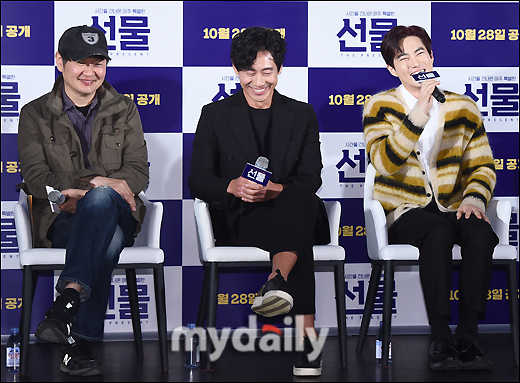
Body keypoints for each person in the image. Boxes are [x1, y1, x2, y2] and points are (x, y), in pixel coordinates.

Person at [189, 27, 330, 377]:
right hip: (241, 219)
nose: (258, 81)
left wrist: (276, 190)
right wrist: (233, 187)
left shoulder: (302, 115)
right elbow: (198, 180)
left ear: (279, 71)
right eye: (249, 72)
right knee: (301, 222)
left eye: (266, 72)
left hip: (289, 209)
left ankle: (277, 281)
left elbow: (312, 177)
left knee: (299, 201)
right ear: (236, 71)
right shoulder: (214, 115)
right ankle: (305, 337)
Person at [363, 25, 498, 370]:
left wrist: (474, 201)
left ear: (432, 57)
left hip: (453, 207)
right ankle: (440, 335)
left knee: (481, 232)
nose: (414, 61)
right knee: (436, 232)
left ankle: (468, 334)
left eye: (420, 52)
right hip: (404, 211)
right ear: (393, 69)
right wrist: (419, 111)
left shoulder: (462, 106)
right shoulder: (380, 105)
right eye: (402, 57)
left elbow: (482, 166)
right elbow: (384, 162)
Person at [17, 25, 149, 376]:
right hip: (62, 218)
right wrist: (99, 181)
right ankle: (78, 333)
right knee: (108, 241)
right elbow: (36, 179)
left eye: (99, 62)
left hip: (119, 213)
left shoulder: (126, 111)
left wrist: (95, 189)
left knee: (104, 200)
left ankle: (66, 308)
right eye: (81, 62)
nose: (91, 71)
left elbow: (138, 173)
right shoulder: (34, 114)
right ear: (60, 62)